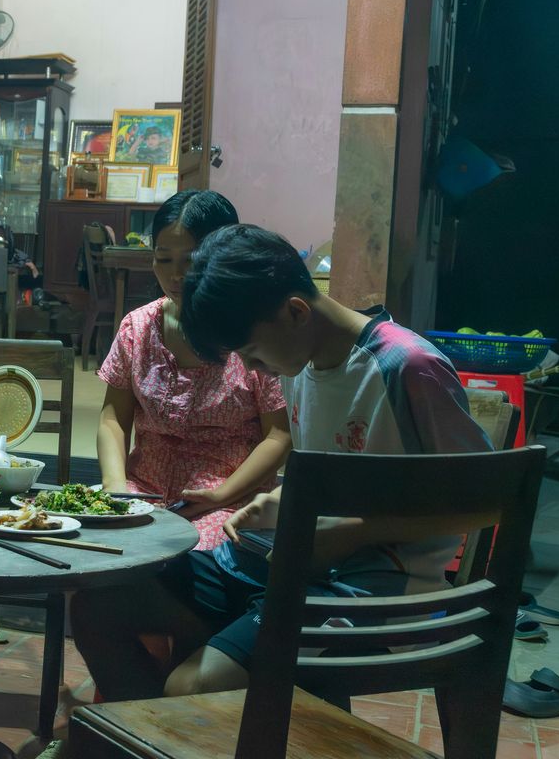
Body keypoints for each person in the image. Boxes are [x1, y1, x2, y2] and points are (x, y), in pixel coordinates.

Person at [73, 224, 493, 702]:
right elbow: (335, 479)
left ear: (295, 311)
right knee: (99, 603)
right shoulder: (301, 363)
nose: (253, 370)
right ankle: (144, 740)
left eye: (252, 353)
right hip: (288, 562)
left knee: (192, 684)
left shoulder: (405, 368)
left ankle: (166, 730)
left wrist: (354, 531)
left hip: (373, 586)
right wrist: (274, 502)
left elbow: (485, 501)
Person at [95, 191, 291, 551]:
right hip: (143, 489)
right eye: (163, 259)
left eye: (191, 260)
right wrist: (115, 487)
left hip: (229, 495)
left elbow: (279, 435)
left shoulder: (252, 330)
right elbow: (113, 418)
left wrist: (220, 495)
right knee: (99, 548)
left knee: (187, 556)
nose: (175, 275)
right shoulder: (137, 328)